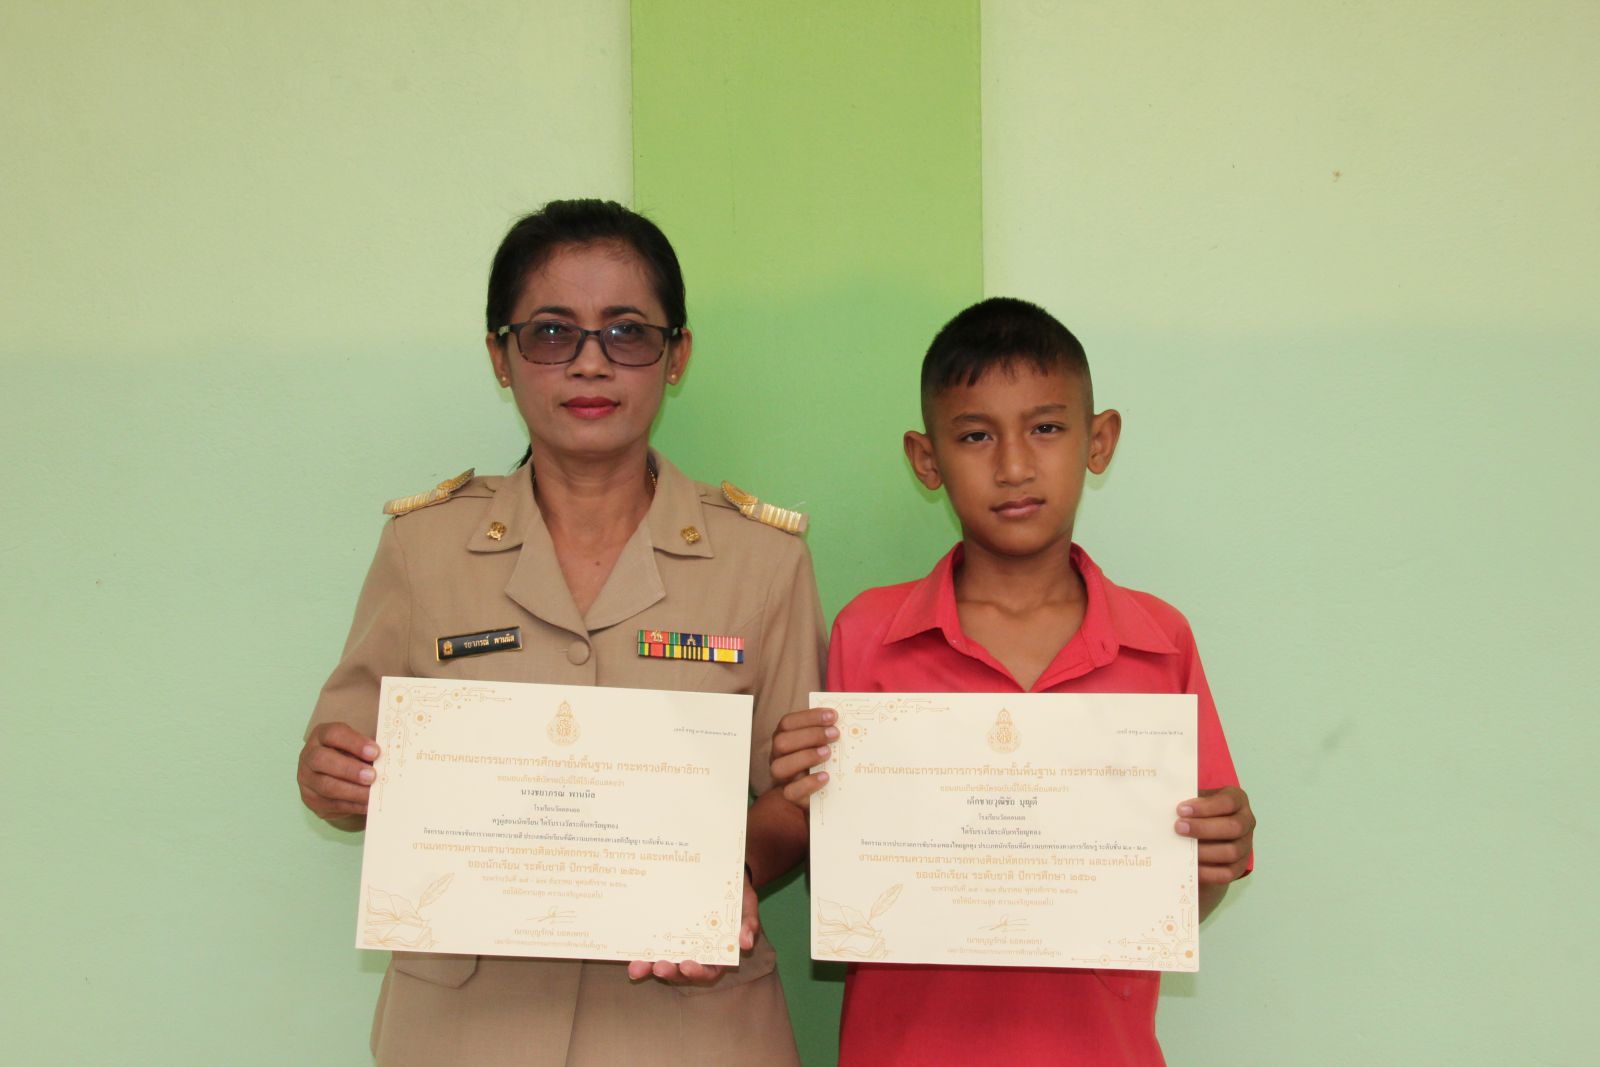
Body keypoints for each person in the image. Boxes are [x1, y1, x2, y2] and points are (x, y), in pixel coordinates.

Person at [296, 199, 819, 1066]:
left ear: (677, 354)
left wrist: (735, 874)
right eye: (550, 333)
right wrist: (331, 776)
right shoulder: (423, 548)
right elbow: (343, 762)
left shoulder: (763, 560)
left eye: (627, 332)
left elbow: (803, 793)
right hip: (467, 1029)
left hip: (691, 1027)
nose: (589, 362)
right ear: (499, 356)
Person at [771, 297, 1256, 1066]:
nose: (1014, 466)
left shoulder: (1160, 639)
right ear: (926, 459)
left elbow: (1177, 895)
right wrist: (809, 800)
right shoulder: (870, 634)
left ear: (1100, 441)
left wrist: (1218, 851)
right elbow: (849, 883)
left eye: (1046, 428)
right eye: (975, 435)